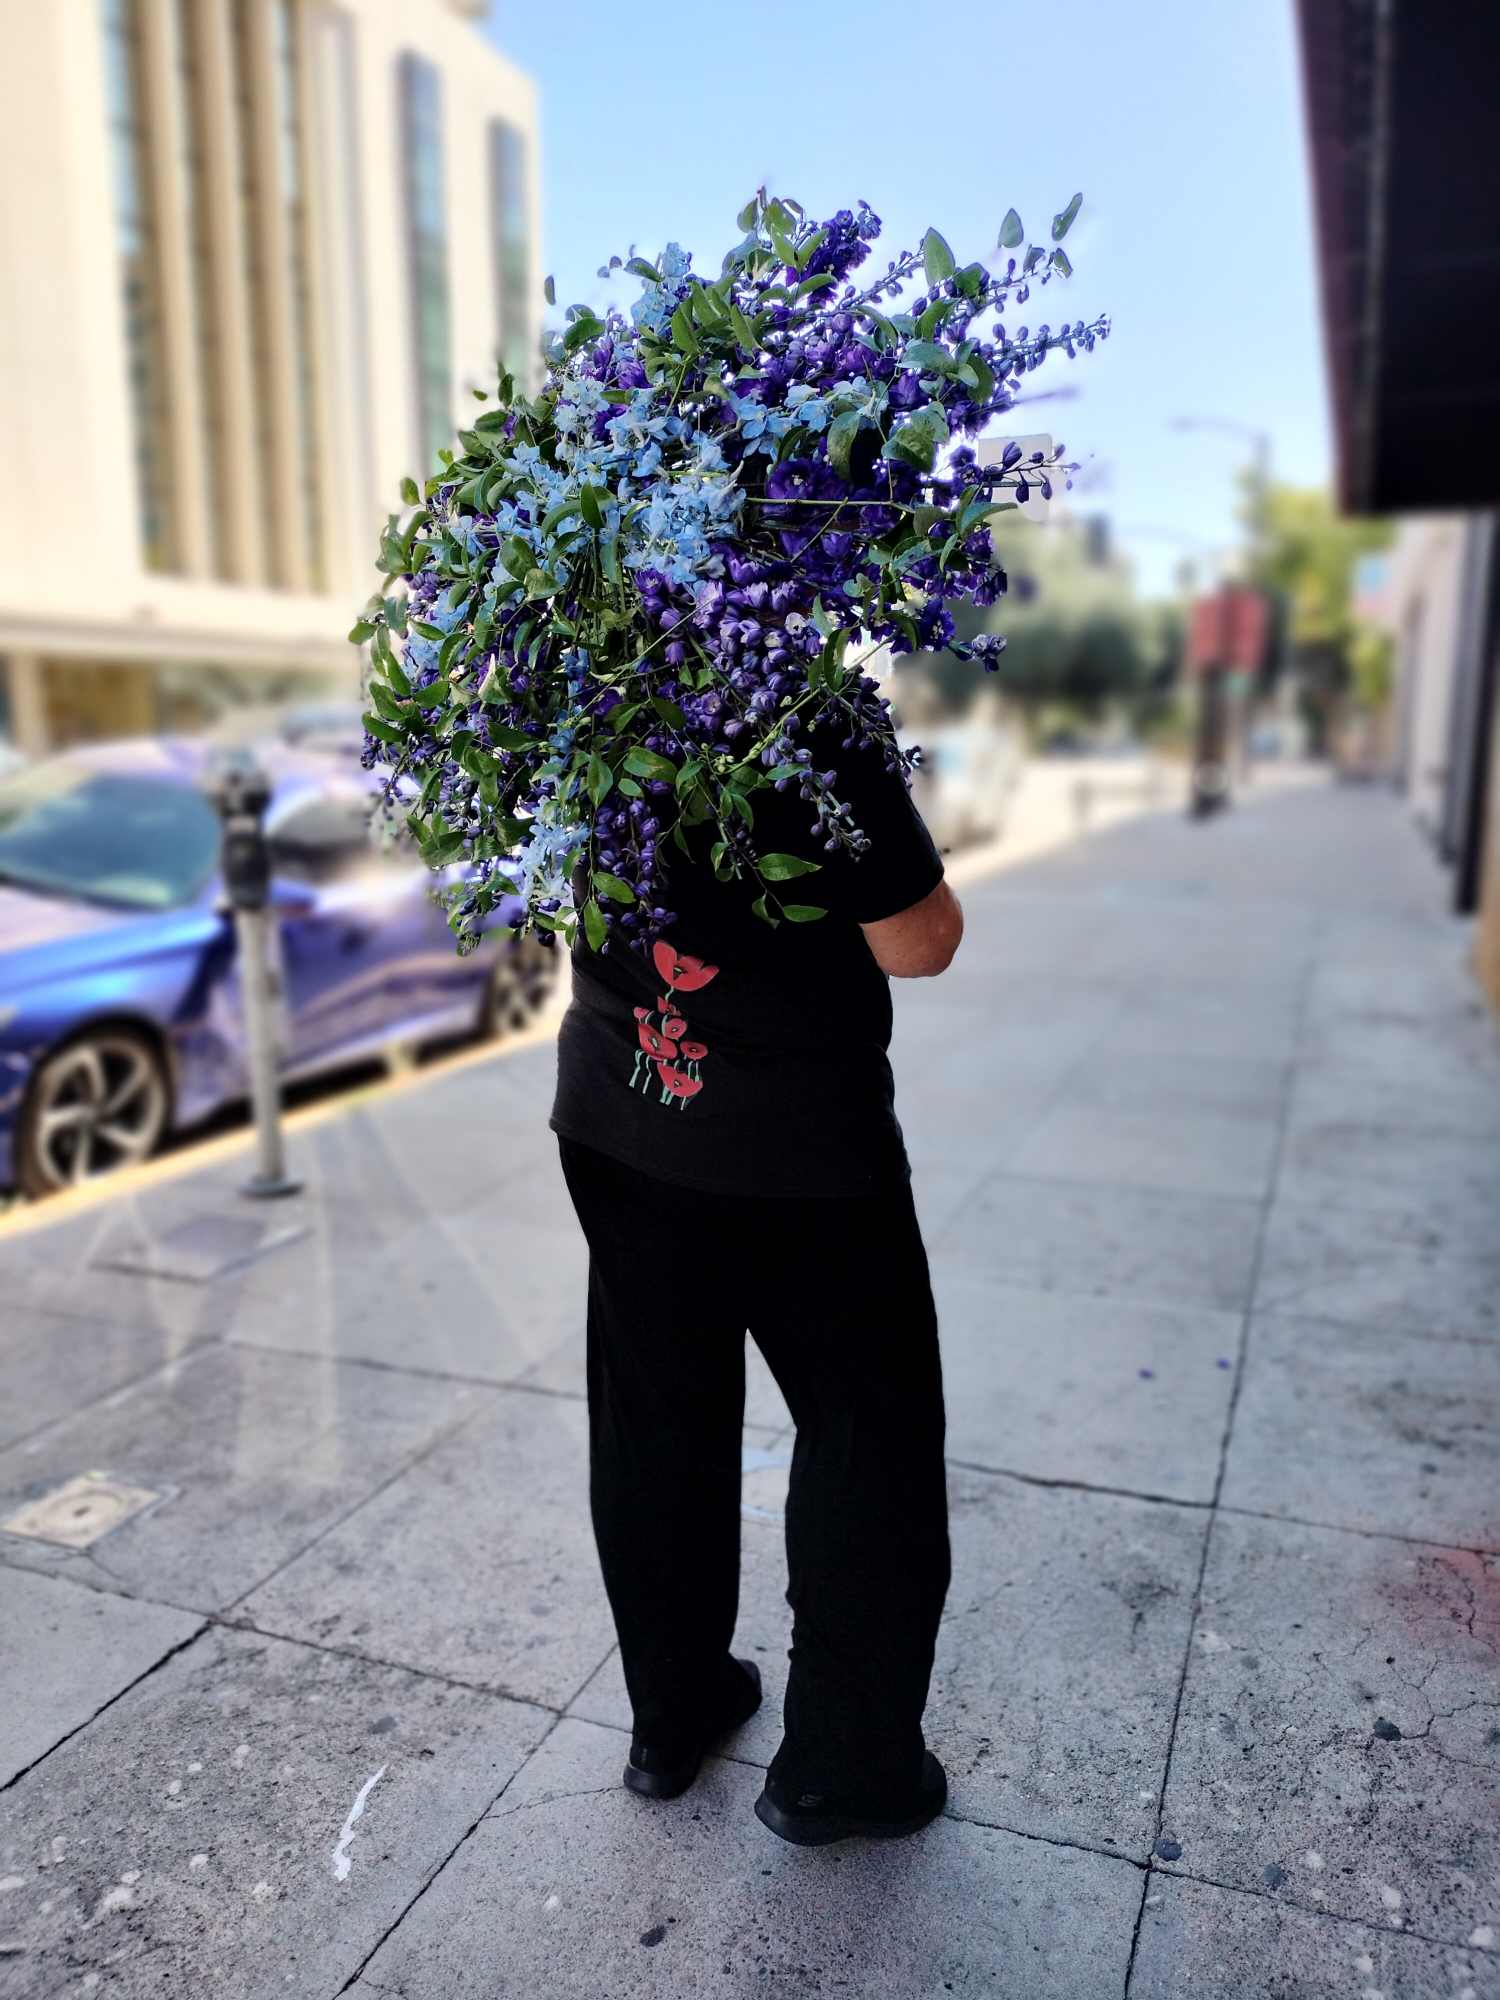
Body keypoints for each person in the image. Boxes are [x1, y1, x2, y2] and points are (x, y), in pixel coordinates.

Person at [549, 700, 963, 1847]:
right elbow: (918, 939)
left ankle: (670, 1715)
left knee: (653, 1412)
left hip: (618, 1107)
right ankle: (846, 1761)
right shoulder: (799, 711)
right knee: (864, 1425)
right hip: (796, 1153)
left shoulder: (563, 654)